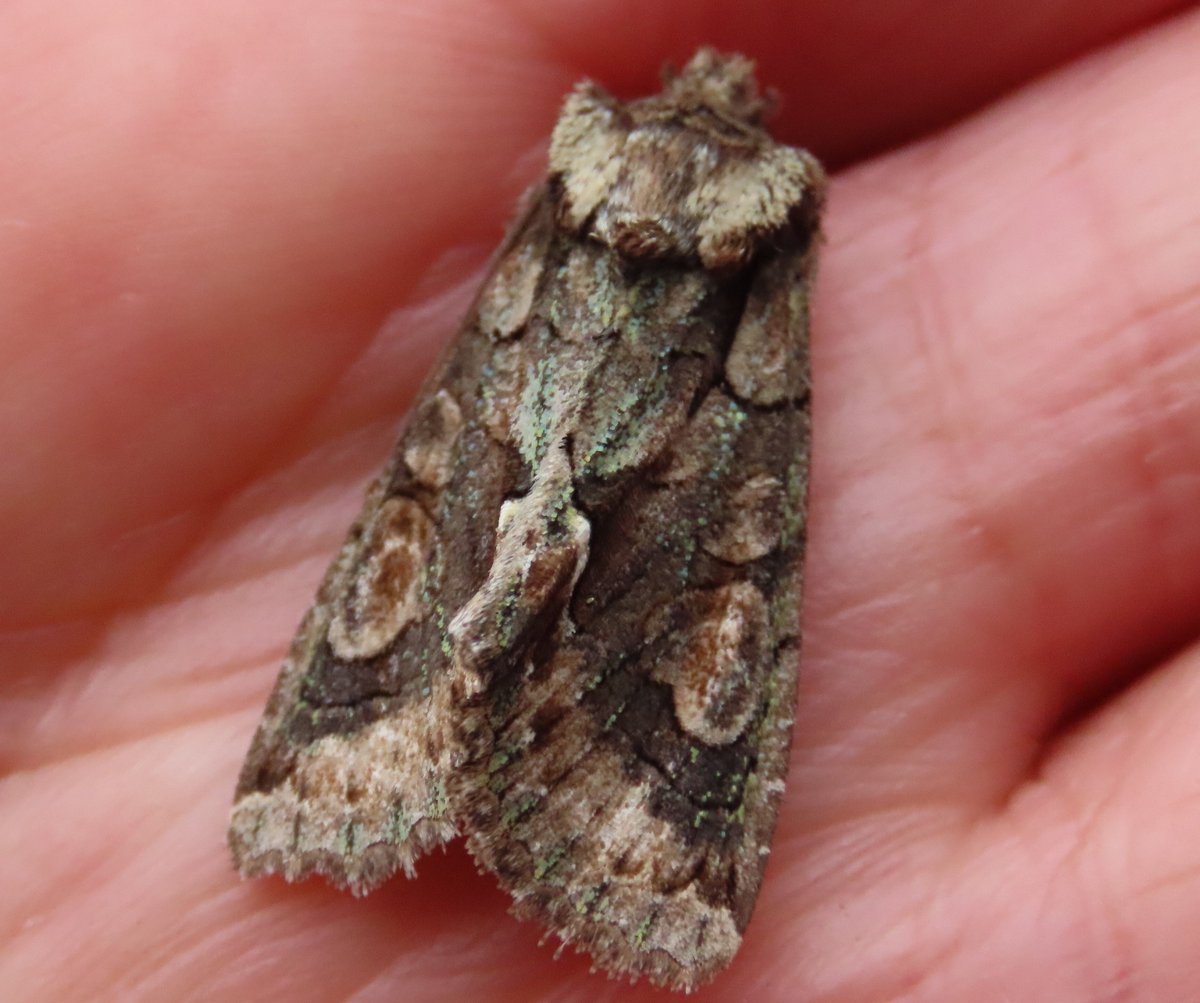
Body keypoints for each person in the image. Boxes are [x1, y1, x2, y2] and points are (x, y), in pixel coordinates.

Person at [2, 4, 1197, 1000]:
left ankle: (343, 766)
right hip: (712, 446)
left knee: (443, 489)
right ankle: (623, 857)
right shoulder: (776, 224)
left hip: (513, 393)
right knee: (723, 561)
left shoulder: (586, 176)